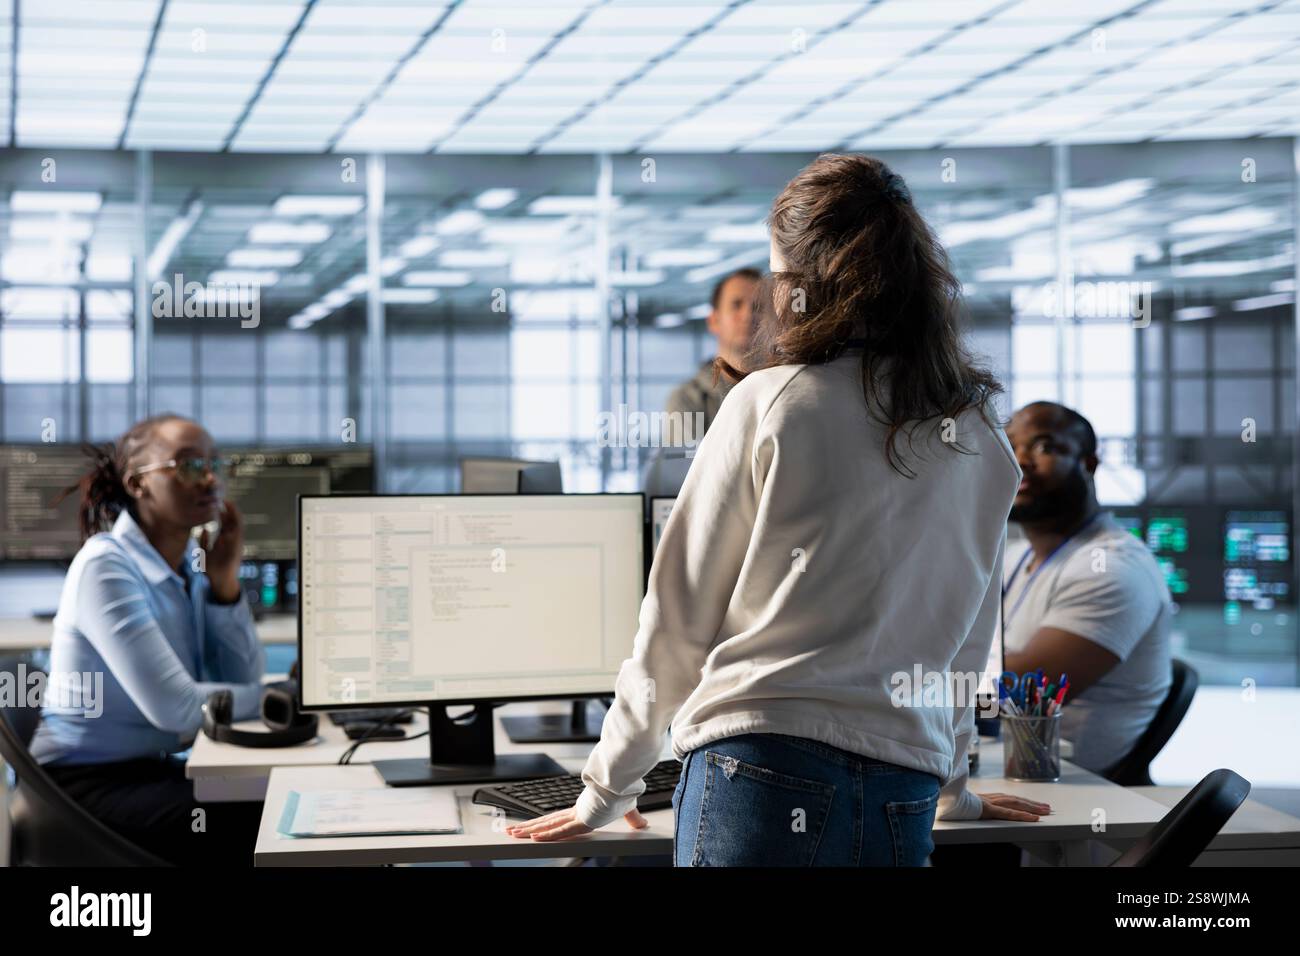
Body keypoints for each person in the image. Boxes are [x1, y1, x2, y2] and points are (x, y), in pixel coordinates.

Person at [507, 154, 1050, 865]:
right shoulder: (978, 432)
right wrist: (954, 788)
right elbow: (963, 643)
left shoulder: (771, 403)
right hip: (902, 783)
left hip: (758, 769)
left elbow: (676, 621)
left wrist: (607, 791)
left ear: (801, 279)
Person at [31, 414, 267, 866]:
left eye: (217, 463)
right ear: (138, 484)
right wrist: (285, 698)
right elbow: (176, 708)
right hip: (83, 788)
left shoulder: (187, 574)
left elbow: (240, 678)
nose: (212, 478)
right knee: (271, 822)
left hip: (152, 770)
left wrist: (224, 583)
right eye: (190, 465)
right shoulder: (107, 565)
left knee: (285, 800)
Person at [1002, 401, 1173, 775]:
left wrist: (927, 679)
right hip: (1009, 773)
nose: (1020, 461)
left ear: (1089, 464)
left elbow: (1023, 694)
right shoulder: (1015, 558)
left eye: (1044, 447)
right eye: (1009, 446)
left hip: (1069, 802)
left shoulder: (1112, 566)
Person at [662, 267, 761, 445]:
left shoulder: (784, 390)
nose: (748, 315)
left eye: (758, 307)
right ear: (714, 321)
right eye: (736, 305)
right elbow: (688, 470)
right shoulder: (687, 400)